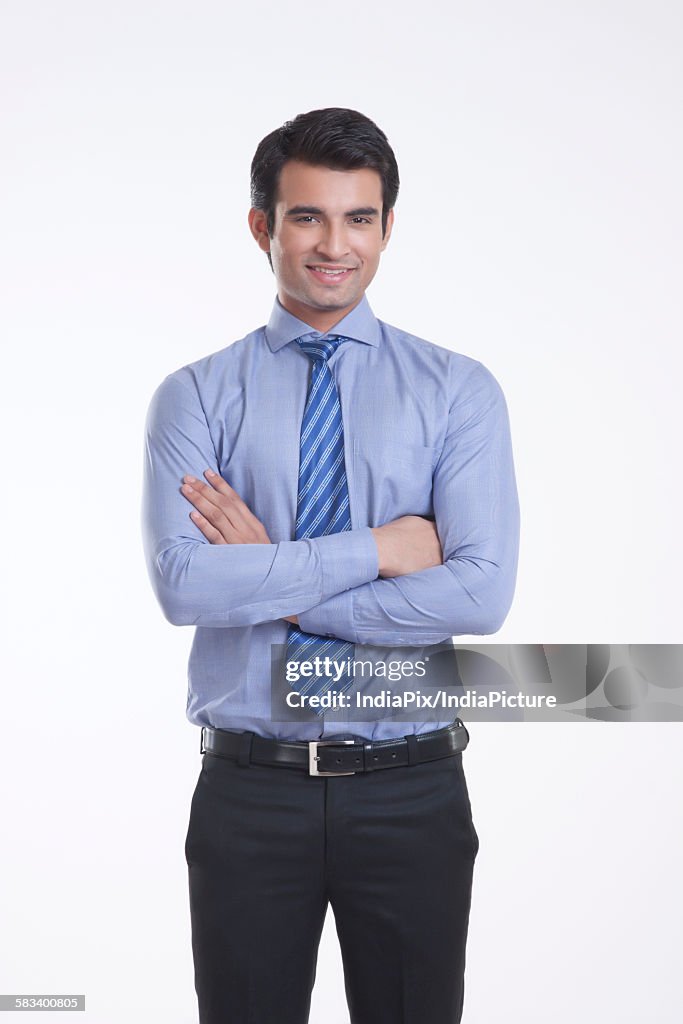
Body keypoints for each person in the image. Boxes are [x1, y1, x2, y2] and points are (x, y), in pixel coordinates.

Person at [142, 107, 520, 1024]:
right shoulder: (194, 396)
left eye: (359, 218)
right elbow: (185, 586)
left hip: (411, 788)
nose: (333, 245)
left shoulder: (457, 392)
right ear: (262, 227)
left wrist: (272, 576)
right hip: (247, 794)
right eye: (307, 216)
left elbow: (481, 591)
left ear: (388, 226)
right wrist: (380, 553)